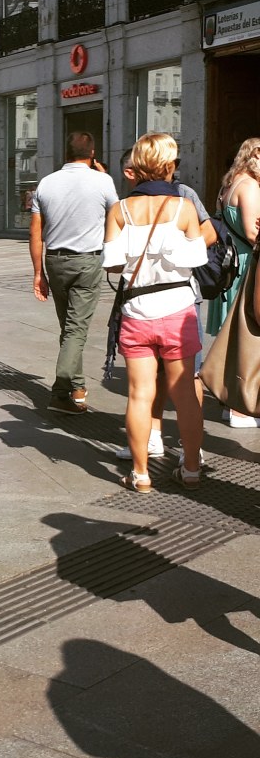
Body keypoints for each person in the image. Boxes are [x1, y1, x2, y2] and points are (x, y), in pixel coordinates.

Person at [102, 133, 213, 493]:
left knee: (139, 394)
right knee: (184, 394)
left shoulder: (119, 210)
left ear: (136, 165)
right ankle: (192, 469)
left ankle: (140, 474)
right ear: (168, 164)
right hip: (178, 310)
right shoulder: (184, 207)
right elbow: (197, 258)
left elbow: (114, 265)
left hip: (137, 310)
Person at [29, 132, 119, 415]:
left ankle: (77, 386)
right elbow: (118, 218)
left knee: (69, 329)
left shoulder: (46, 183)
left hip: (55, 262)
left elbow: (35, 232)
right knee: (76, 329)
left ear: (65, 153)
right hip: (87, 263)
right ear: (92, 154)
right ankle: (60, 393)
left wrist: (37, 273)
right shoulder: (102, 181)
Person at [208, 138, 260, 428]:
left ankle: (228, 398)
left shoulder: (229, 183)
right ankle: (240, 409)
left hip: (230, 263)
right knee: (245, 335)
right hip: (247, 264)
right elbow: (255, 233)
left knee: (232, 336)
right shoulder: (249, 186)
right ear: (255, 154)